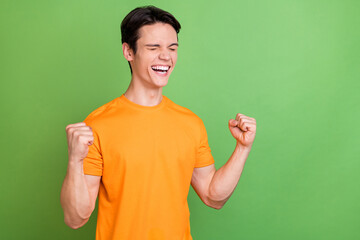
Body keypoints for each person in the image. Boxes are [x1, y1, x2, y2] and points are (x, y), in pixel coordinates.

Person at [60, 5, 257, 240]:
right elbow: (76, 217)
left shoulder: (190, 123)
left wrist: (243, 148)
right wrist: (74, 160)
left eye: (172, 48)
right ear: (128, 51)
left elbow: (213, 197)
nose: (166, 56)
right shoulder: (98, 124)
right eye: (153, 47)